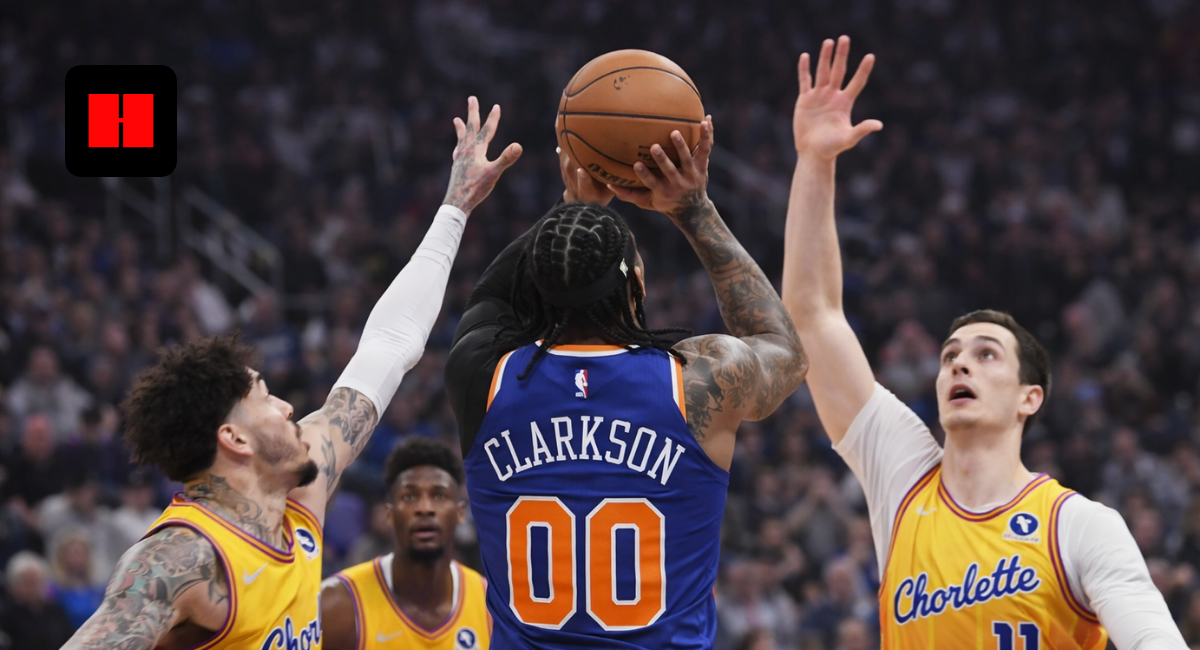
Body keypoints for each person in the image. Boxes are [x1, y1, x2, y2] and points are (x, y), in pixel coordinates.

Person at [60, 96, 523, 650]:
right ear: (232, 437)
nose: (286, 407)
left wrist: (455, 208)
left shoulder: (303, 493)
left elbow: (387, 347)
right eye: (264, 397)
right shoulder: (183, 556)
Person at [781, 36, 1186, 648]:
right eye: (950, 356)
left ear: (1030, 398)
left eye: (984, 353)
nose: (958, 363)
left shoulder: (1079, 526)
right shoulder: (903, 475)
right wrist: (815, 161)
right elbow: (812, 315)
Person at [445, 112, 807, 647]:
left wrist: (575, 210)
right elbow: (783, 350)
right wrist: (694, 208)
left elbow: (491, 300)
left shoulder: (483, 376)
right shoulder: (699, 378)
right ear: (636, 282)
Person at [321, 438, 490, 649]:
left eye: (439, 495)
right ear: (389, 514)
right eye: (409, 496)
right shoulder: (337, 605)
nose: (425, 508)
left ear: (460, 513)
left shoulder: (489, 607)